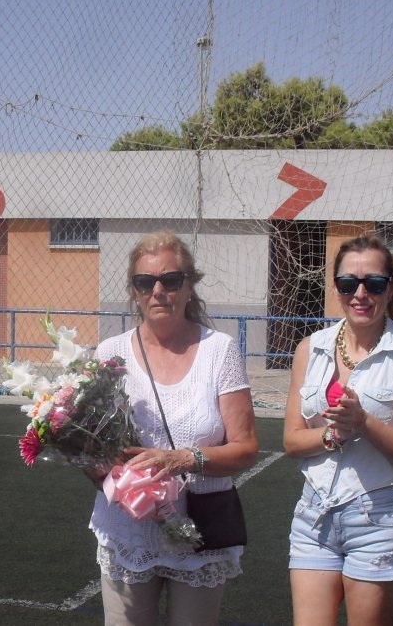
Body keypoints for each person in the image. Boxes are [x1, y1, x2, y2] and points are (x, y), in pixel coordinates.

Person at [89, 230, 259, 626]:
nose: (158, 291)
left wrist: (183, 459)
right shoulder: (110, 353)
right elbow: (93, 448)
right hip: (129, 530)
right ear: (134, 290)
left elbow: (246, 448)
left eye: (171, 280)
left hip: (199, 531)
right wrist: (104, 472)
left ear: (189, 285)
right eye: (145, 282)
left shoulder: (219, 350)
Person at [283, 233, 393, 626]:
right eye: (349, 283)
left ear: (391, 288)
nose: (361, 294)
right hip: (313, 516)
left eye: (375, 283)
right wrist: (333, 435)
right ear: (336, 288)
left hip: (378, 518)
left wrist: (363, 422)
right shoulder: (310, 348)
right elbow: (293, 440)